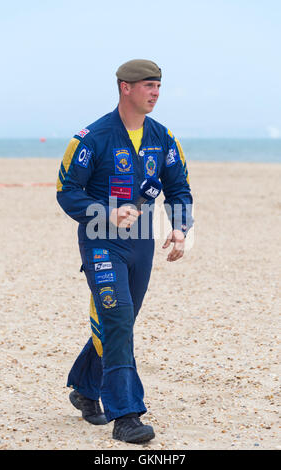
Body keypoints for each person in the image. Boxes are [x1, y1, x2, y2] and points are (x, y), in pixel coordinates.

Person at [56, 59, 193, 444]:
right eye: (148, 85)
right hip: (100, 241)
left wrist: (180, 229)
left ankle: (85, 387)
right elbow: (67, 192)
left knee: (122, 322)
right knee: (117, 320)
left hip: (142, 244)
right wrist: (106, 212)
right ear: (125, 88)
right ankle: (127, 416)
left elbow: (179, 187)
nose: (155, 93)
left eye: (159, 86)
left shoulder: (163, 138)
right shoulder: (92, 138)